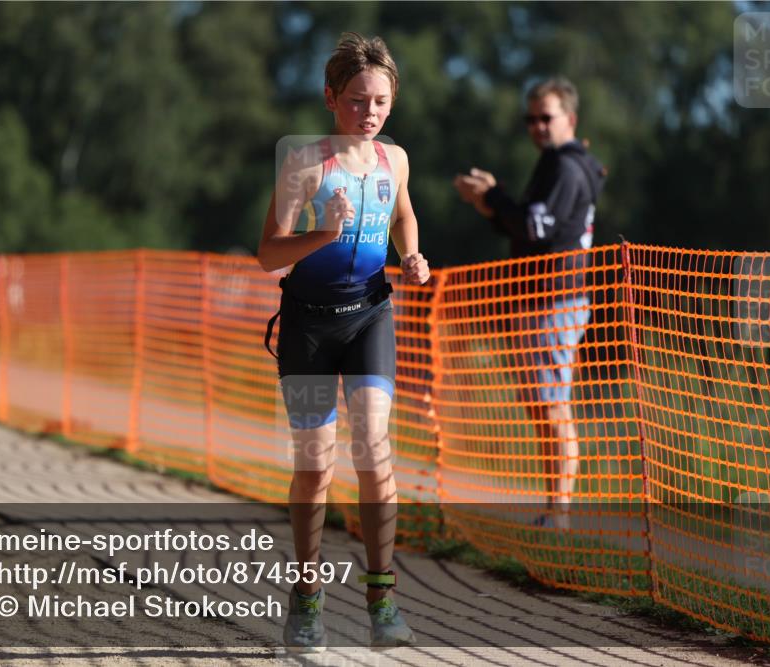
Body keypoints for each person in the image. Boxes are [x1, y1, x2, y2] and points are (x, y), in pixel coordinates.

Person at [257, 32, 429, 652]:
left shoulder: (394, 160)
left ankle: (383, 600)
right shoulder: (305, 165)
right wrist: (322, 235)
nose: (369, 112)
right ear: (331, 99)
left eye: (380, 101)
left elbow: (403, 212)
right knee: (315, 465)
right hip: (308, 324)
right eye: (357, 100)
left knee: (375, 451)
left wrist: (410, 255)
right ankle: (307, 601)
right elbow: (267, 254)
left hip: (369, 316)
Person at [453, 77, 606, 530]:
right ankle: (554, 507)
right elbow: (530, 228)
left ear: (570, 119)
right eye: (531, 118)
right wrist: (490, 205)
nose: (537, 126)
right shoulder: (555, 163)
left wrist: (494, 196)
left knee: (553, 406)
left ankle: (560, 511)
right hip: (540, 300)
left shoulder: (565, 166)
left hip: (554, 300)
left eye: (546, 117)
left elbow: (536, 226)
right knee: (542, 404)